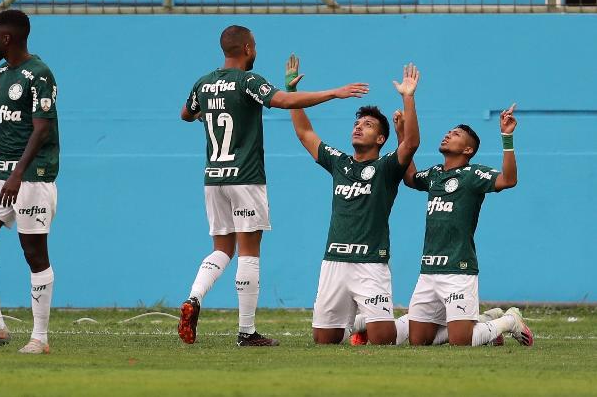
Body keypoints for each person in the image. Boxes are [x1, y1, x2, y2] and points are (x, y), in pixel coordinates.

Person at [177, 26, 369, 347]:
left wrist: (212, 111)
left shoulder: (204, 83)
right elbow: (281, 100)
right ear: (249, 48)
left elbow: (187, 114)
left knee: (221, 249)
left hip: (214, 178)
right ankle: (246, 332)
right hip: (245, 177)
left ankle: (194, 298)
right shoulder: (248, 81)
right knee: (249, 252)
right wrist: (333, 92)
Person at [286, 56, 420, 345]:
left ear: (381, 138)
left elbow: (410, 144)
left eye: (368, 125)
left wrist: (408, 98)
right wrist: (292, 94)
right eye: (357, 123)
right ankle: (360, 319)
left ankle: (412, 321)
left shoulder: (386, 168)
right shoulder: (339, 163)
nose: (359, 127)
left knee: (382, 339)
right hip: (334, 262)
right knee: (324, 341)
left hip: (370, 263)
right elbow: (304, 132)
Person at [380, 104, 532, 346]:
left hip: (458, 269)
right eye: (449, 132)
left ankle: (509, 320)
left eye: (456, 134)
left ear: (468, 149)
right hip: (429, 270)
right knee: (418, 342)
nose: (448, 134)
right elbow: (409, 178)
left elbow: (509, 179)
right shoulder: (435, 174)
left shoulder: (474, 174)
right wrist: (401, 135)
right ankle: (485, 321)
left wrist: (507, 137)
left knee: (461, 342)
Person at [0, 10, 59, 355]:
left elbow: (41, 127)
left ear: (8, 38)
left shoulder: (39, 74)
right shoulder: (2, 72)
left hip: (32, 175)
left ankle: (40, 338)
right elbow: (9, 124)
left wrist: (18, 173)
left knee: (34, 253)